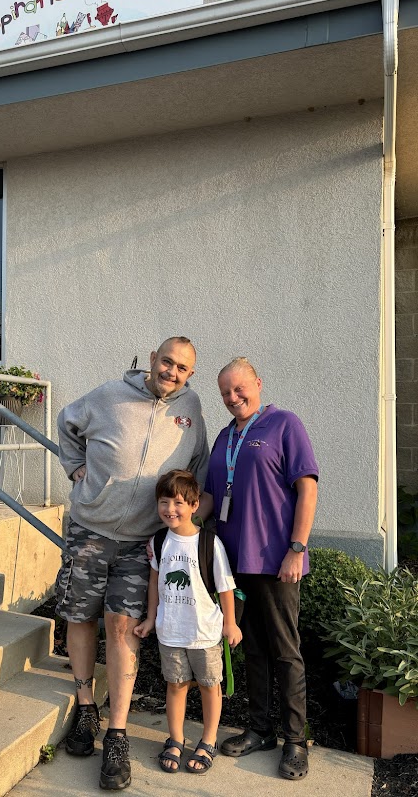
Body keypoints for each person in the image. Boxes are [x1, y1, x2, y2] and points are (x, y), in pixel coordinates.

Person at [56, 337, 209, 790]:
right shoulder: (109, 394)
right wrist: (75, 466)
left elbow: (197, 464)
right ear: (153, 359)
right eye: (167, 362)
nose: (172, 372)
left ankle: (117, 734)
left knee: (124, 627)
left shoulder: (191, 410)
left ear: (190, 375)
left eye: (182, 368)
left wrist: (188, 520)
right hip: (90, 529)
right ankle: (87, 708)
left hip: (142, 542)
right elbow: (67, 422)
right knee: (80, 617)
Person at [198, 357, 318, 781]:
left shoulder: (284, 424)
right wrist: (180, 526)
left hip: (275, 561)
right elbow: (211, 496)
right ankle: (260, 729)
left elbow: (307, 489)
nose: (233, 398)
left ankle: (295, 740)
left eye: (239, 388)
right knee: (251, 648)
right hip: (232, 563)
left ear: (258, 384)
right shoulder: (224, 437)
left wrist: (296, 549)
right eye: (225, 393)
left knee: (285, 649)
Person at [134, 469, 242, 775]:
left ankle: (208, 741)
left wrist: (230, 624)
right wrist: (151, 618)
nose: (170, 509)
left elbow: (225, 586)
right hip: (171, 631)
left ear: (194, 506)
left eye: (178, 502)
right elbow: (154, 582)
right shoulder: (159, 541)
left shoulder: (209, 543)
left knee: (210, 686)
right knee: (176, 685)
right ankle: (176, 739)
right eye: (164, 502)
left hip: (204, 632)